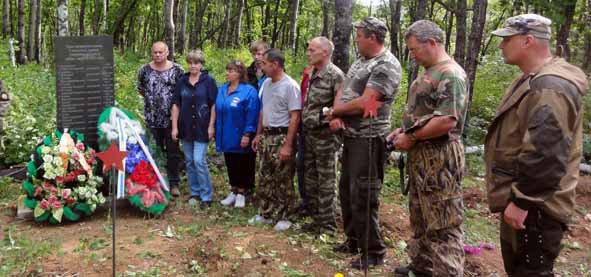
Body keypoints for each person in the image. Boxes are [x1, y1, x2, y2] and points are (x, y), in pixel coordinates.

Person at [485, 14, 588, 276]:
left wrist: (523, 201)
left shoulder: (550, 85)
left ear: (527, 40)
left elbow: (547, 152)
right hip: (531, 202)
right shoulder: (532, 78)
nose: (501, 46)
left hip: (538, 208)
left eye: (507, 39)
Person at [388, 20, 468, 276]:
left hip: (440, 156)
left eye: (414, 49)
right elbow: (424, 114)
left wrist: (411, 139)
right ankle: (422, 267)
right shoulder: (429, 71)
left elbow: (446, 120)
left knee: (443, 222)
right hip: (423, 155)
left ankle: (446, 271)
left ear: (432, 43)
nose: (412, 55)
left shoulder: (450, 74)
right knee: (421, 215)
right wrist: (404, 131)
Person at [328, 17, 401, 269]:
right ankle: (353, 239)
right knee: (347, 191)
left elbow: (367, 102)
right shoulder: (362, 61)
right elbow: (346, 90)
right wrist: (337, 113)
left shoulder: (386, 65)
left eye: (359, 35)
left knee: (364, 195)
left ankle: (374, 251)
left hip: (369, 139)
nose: (356, 39)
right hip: (351, 136)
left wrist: (336, 112)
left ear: (372, 37)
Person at [250, 48, 301, 231]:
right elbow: (264, 110)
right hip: (267, 137)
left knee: (283, 178)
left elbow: (295, 117)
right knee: (265, 176)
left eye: (265, 63)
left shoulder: (290, 86)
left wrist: (288, 145)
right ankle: (266, 212)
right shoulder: (267, 84)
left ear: (276, 64)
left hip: (282, 136)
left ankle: (286, 215)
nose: (261, 66)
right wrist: (258, 134)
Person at [300, 37, 344, 235]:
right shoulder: (311, 73)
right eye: (308, 50)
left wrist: (328, 115)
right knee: (310, 178)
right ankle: (317, 219)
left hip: (325, 135)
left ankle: (328, 226)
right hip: (309, 133)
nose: (308, 53)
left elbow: (340, 105)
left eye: (312, 50)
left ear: (325, 52)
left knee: (326, 180)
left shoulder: (335, 75)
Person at [137, 41, 184, 197]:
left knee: (173, 152)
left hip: (172, 120)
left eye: (160, 52)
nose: (157, 55)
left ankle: (174, 183)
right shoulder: (144, 70)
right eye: (155, 52)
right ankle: (157, 182)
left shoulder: (178, 71)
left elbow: (182, 94)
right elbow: (141, 89)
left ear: (167, 52)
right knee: (154, 151)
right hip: (152, 120)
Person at [170, 49, 217, 207]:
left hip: (202, 127)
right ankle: (194, 192)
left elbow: (214, 105)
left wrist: (211, 126)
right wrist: (174, 127)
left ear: (201, 64)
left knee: (199, 160)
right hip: (185, 127)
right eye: (190, 62)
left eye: (196, 63)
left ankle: (206, 195)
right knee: (189, 161)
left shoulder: (208, 81)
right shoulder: (182, 81)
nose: (193, 65)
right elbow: (176, 105)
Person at [215, 60, 260, 208]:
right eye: (227, 70)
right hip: (225, 133)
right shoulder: (222, 89)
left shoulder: (248, 91)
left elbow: (252, 113)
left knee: (243, 163)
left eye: (231, 71)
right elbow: (217, 109)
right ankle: (233, 190)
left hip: (240, 134)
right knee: (230, 162)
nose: (227, 73)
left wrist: (247, 134)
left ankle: (242, 192)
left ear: (239, 73)